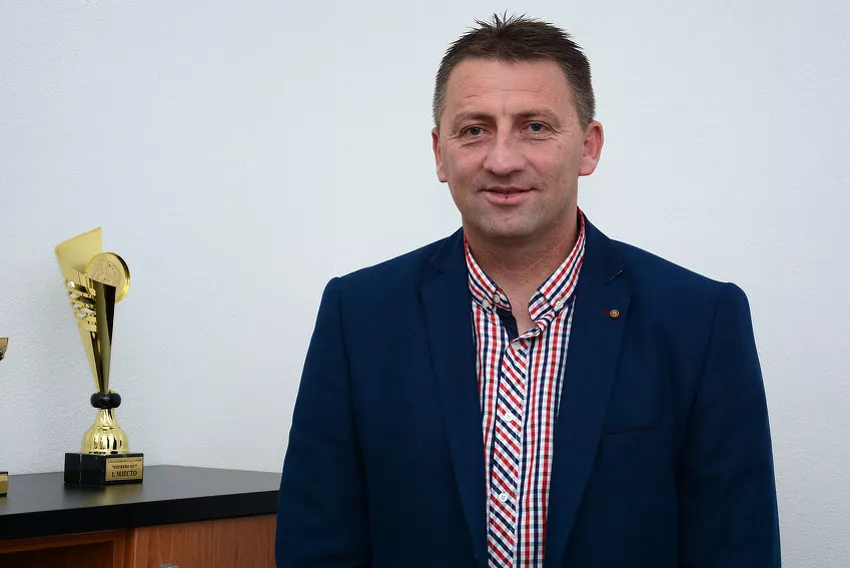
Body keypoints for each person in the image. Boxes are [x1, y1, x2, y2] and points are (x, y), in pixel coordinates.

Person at [275, 13, 780, 568]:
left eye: (535, 127)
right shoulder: (358, 316)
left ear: (588, 147)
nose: (502, 160)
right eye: (474, 130)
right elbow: (316, 544)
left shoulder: (699, 321)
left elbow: (737, 548)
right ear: (440, 153)